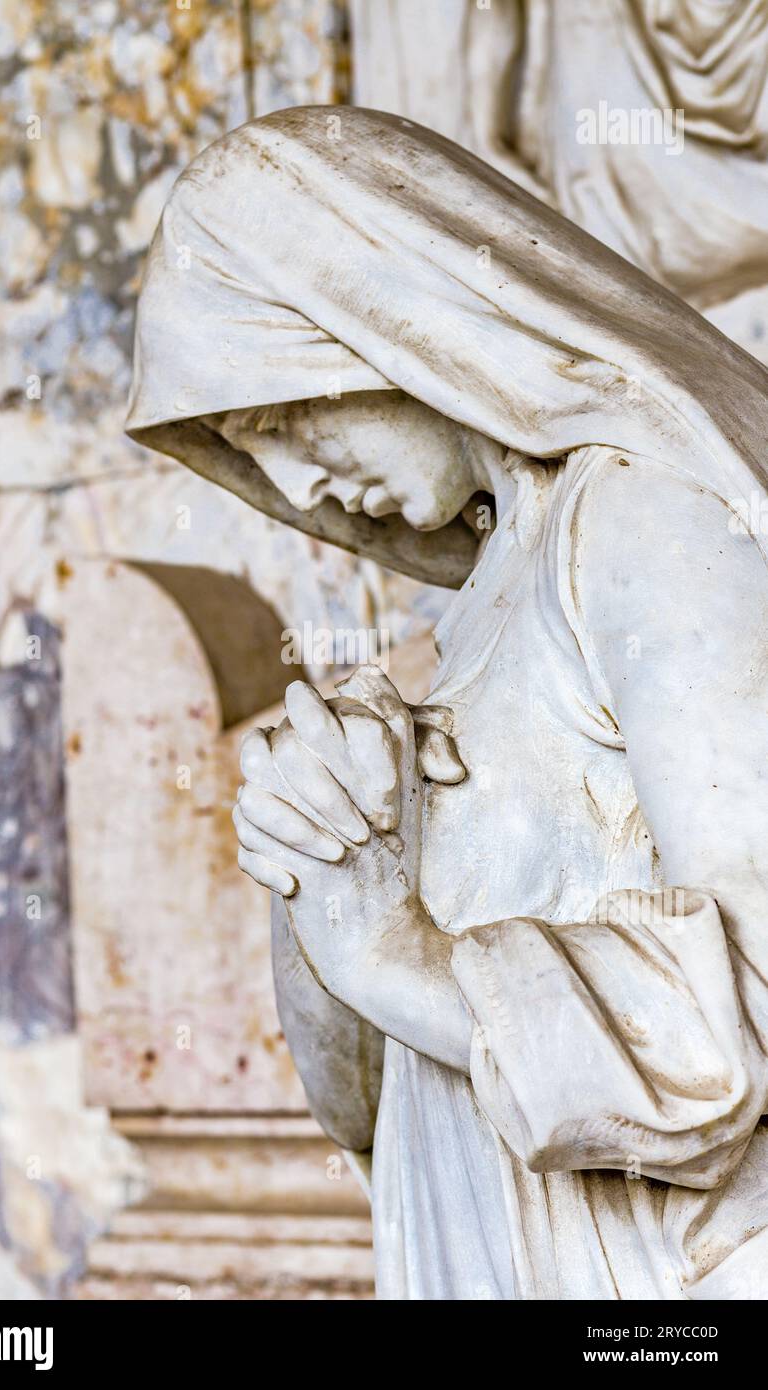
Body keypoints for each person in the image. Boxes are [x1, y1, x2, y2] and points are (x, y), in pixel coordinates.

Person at [127, 106, 768, 1299]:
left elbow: (750, 1004)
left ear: (395, 313)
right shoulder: (483, 610)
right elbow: (365, 1106)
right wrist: (323, 867)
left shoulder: (640, 524)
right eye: (245, 447)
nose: (294, 481)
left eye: (277, 418)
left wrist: (393, 948)